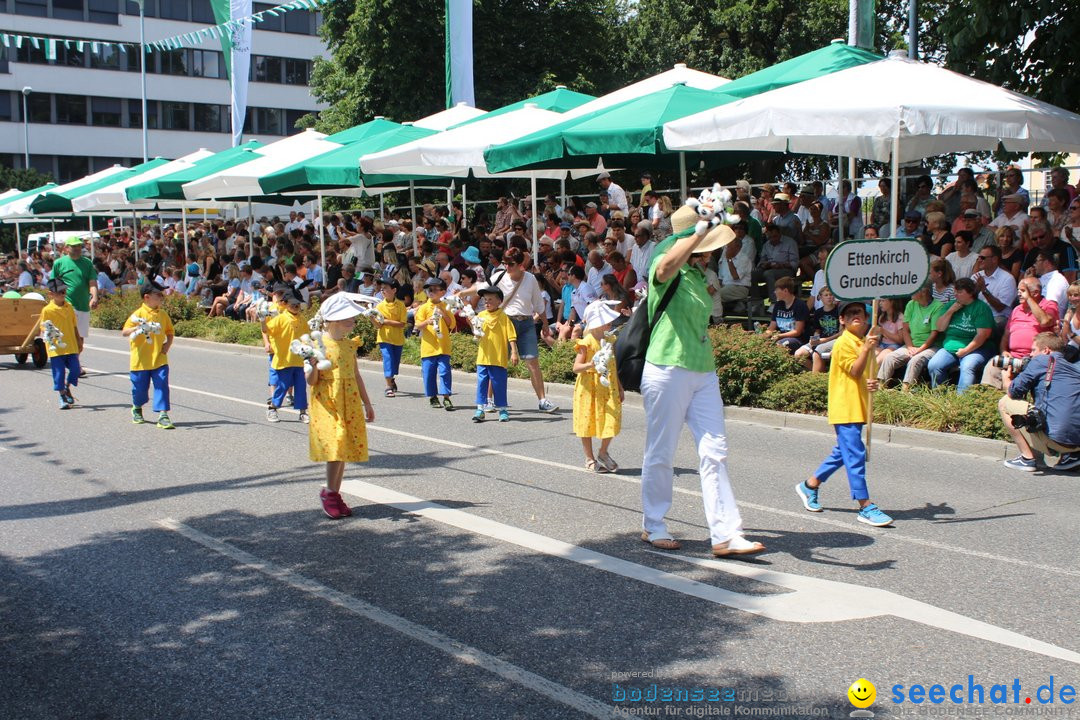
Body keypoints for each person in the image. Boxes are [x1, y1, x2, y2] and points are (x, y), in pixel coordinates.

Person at [639, 204, 765, 556]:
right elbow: (664, 269)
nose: (713, 250)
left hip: (703, 368)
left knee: (715, 452)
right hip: (667, 366)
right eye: (707, 243)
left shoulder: (700, 275)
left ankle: (725, 533)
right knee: (661, 451)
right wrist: (696, 234)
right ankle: (654, 523)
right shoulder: (666, 260)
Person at [796, 302, 893, 526]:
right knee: (855, 455)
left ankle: (809, 485)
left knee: (843, 452)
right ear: (842, 320)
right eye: (850, 314)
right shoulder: (844, 343)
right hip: (845, 406)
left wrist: (872, 384)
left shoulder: (863, 342)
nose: (855, 317)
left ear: (867, 319)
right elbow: (854, 370)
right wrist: (868, 349)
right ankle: (865, 505)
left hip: (858, 405)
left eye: (860, 313)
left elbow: (867, 374)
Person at [304, 293, 376, 519]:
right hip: (327, 402)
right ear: (333, 320)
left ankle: (334, 492)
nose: (353, 322)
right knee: (335, 446)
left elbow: (356, 374)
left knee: (343, 448)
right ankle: (328, 492)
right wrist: (314, 366)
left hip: (349, 400)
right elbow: (311, 381)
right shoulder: (316, 343)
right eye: (349, 318)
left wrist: (367, 403)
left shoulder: (349, 345)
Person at [999, 333, 1080, 472]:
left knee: (1004, 402)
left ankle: (1027, 459)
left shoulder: (1042, 360)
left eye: (1033, 350)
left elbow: (1013, 391)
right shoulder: (1074, 367)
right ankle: (1071, 455)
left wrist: (1006, 379)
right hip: (1077, 441)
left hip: (1056, 439)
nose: (1030, 355)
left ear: (1046, 350)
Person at [572, 300, 624, 473]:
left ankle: (603, 452)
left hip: (607, 386)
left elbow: (613, 365)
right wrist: (590, 365)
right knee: (586, 421)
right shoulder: (586, 342)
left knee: (612, 418)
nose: (609, 323)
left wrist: (620, 386)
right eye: (605, 321)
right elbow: (576, 367)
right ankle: (589, 457)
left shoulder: (610, 339)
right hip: (589, 387)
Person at [981, 277, 1058, 390]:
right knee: (992, 365)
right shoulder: (1017, 309)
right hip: (1014, 358)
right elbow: (1006, 335)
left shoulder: (1049, 305)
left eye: (1022, 291)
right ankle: (986, 401)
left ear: (1035, 293)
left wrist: (1029, 299)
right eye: (1018, 290)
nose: (1019, 294)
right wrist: (1004, 350)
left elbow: (1045, 321)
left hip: (1036, 359)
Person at [121, 280, 175, 429]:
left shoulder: (162, 314)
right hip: (140, 361)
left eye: (162, 295)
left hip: (159, 358)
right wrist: (136, 329)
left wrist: (167, 345)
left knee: (162, 385)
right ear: (147, 297)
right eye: (158, 295)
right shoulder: (138, 314)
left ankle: (163, 415)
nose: (161, 297)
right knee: (139, 390)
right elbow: (124, 331)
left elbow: (170, 331)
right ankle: (137, 407)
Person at [927, 278, 996, 393]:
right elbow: (940, 327)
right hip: (950, 347)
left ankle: (961, 402)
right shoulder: (951, 305)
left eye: (959, 292)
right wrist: (950, 311)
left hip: (976, 348)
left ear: (970, 293)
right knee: (934, 365)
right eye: (955, 291)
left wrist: (965, 351)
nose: (955, 295)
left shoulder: (981, 308)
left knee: (967, 367)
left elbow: (982, 336)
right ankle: (939, 398)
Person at [877, 285, 945, 390]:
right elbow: (905, 329)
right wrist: (909, 346)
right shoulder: (911, 304)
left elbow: (934, 334)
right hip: (912, 344)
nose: (910, 292)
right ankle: (880, 388)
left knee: (915, 360)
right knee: (889, 358)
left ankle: (905, 391)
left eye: (914, 289)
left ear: (924, 291)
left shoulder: (938, 306)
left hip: (931, 346)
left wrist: (919, 349)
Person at [52, 237, 98, 376]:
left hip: (83, 305)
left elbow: (92, 282)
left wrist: (94, 297)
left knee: (80, 340)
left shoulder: (87, 263)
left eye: (79, 246)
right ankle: (75, 366)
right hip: (66, 305)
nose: (77, 248)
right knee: (73, 335)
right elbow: (53, 283)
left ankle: (73, 361)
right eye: (74, 246)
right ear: (67, 248)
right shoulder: (59, 263)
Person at [470, 287, 517, 423]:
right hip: (483, 357)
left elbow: (511, 335)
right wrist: (472, 325)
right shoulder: (481, 316)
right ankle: (480, 409)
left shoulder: (503, 316)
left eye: (490, 299)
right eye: (485, 300)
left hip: (498, 357)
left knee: (499, 383)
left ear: (499, 301)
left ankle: (502, 409)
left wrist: (514, 352)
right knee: (482, 383)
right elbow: (477, 334)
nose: (487, 302)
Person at [263, 288, 310, 424]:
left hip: (299, 361)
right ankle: (272, 408)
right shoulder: (280, 318)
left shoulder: (303, 320)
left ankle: (302, 412)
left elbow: (307, 337)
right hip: (284, 359)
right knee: (283, 386)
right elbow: (267, 329)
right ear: (285, 304)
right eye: (293, 304)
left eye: (298, 305)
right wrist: (262, 320)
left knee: (301, 387)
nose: (296, 307)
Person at [41, 277, 82, 410]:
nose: (63, 294)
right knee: (59, 373)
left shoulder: (69, 307)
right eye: (59, 292)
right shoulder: (47, 310)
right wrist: (49, 332)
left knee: (76, 370)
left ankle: (67, 387)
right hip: (56, 348)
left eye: (64, 291)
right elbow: (44, 327)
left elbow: (74, 325)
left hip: (70, 345)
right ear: (51, 294)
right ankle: (62, 395)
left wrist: (79, 340)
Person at [415, 276, 454, 410]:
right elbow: (418, 325)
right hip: (428, 347)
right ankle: (432, 396)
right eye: (429, 289)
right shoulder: (424, 308)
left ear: (442, 292)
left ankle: (446, 397)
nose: (431, 292)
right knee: (429, 373)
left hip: (443, 346)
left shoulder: (446, 306)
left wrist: (443, 313)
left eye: (434, 289)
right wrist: (427, 322)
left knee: (444, 371)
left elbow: (451, 325)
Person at [793, 287, 841, 373]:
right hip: (820, 340)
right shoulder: (818, 312)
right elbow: (817, 330)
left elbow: (842, 332)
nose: (829, 297)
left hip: (834, 340)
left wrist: (824, 340)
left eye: (830, 295)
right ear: (820, 297)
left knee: (818, 351)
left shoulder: (839, 311)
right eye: (826, 295)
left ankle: (817, 375)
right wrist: (814, 339)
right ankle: (818, 373)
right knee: (798, 354)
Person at [375, 278, 407, 398]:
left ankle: (391, 378)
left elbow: (402, 323)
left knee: (395, 363)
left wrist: (386, 321)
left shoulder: (401, 305)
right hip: (384, 338)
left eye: (386, 288)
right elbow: (378, 325)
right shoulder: (379, 306)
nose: (383, 290)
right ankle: (388, 386)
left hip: (397, 338)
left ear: (394, 290)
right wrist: (372, 318)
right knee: (387, 359)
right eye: (382, 288)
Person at [766, 276, 810, 353]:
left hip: (798, 339)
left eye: (777, 290)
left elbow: (797, 332)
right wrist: (763, 336)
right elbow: (771, 327)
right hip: (781, 337)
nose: (775, 292)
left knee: (779, 345)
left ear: (785, 291)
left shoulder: (799, 305)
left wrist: (779, 336)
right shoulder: (778, 305)